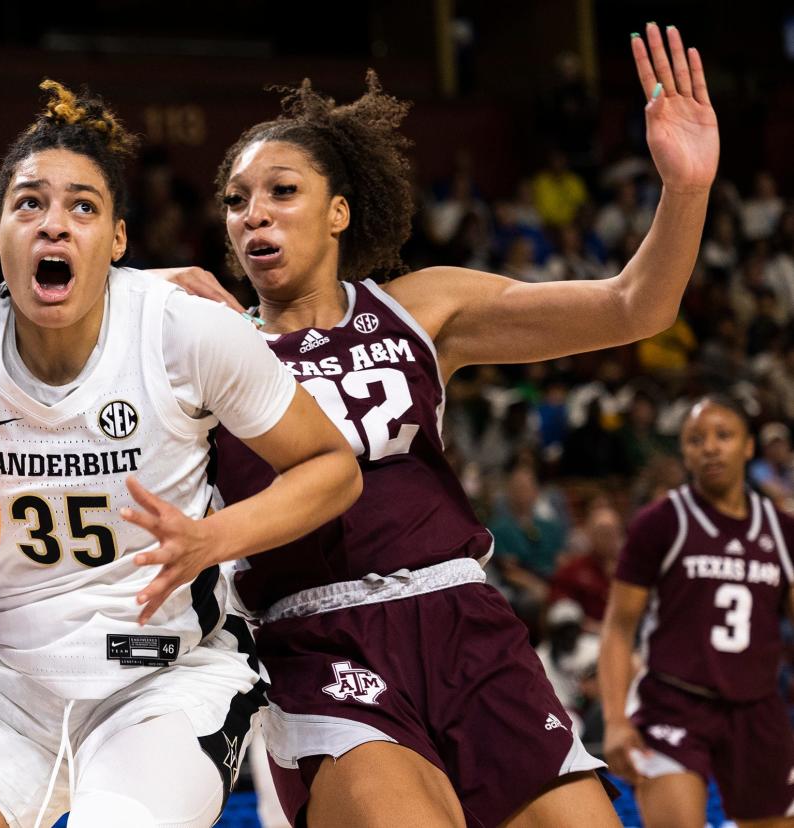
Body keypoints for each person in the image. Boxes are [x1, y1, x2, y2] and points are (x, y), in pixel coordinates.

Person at [172, 22, 716, 826]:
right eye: (236, 200)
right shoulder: (201, 340)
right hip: (319, 641)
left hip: (464, 619)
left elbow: (636, 307)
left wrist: (686, 190)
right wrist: (136, 286)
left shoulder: (420, 307)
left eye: (282, 191)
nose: (255, 214)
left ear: (339, 212)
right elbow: (57, 325)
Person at [0, 81, 360, 828]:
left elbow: (333, 468)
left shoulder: (185, 334)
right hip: (0, 684)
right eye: (30, 204)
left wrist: (216, 538)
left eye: (83, 206)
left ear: (117, 240)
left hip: (164, 679)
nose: (54, 225)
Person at [599, 396, 794, 826]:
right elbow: (618, 627)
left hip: (758, 708)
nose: (709, 447)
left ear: (748, 447)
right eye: (695, 439)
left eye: (723, 436)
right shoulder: (660, 523)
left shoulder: (782, 531)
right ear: (684, 453)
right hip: (674, 702)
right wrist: (614, 720)